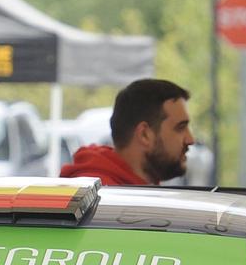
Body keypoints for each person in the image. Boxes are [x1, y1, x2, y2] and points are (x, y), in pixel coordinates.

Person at [57, 78, 195, 186]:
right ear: (144, 134)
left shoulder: (116, 195)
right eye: (180, 127)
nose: (190, 139)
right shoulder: (104, 202)